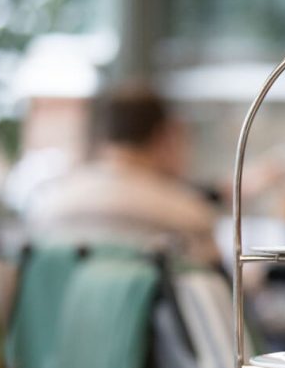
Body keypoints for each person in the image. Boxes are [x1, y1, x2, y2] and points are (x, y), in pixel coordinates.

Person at [25, 85, 218, 263]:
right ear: (164, 137)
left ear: (103, 133)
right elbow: (218, 293)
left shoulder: (48, 205)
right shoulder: (189, 216)